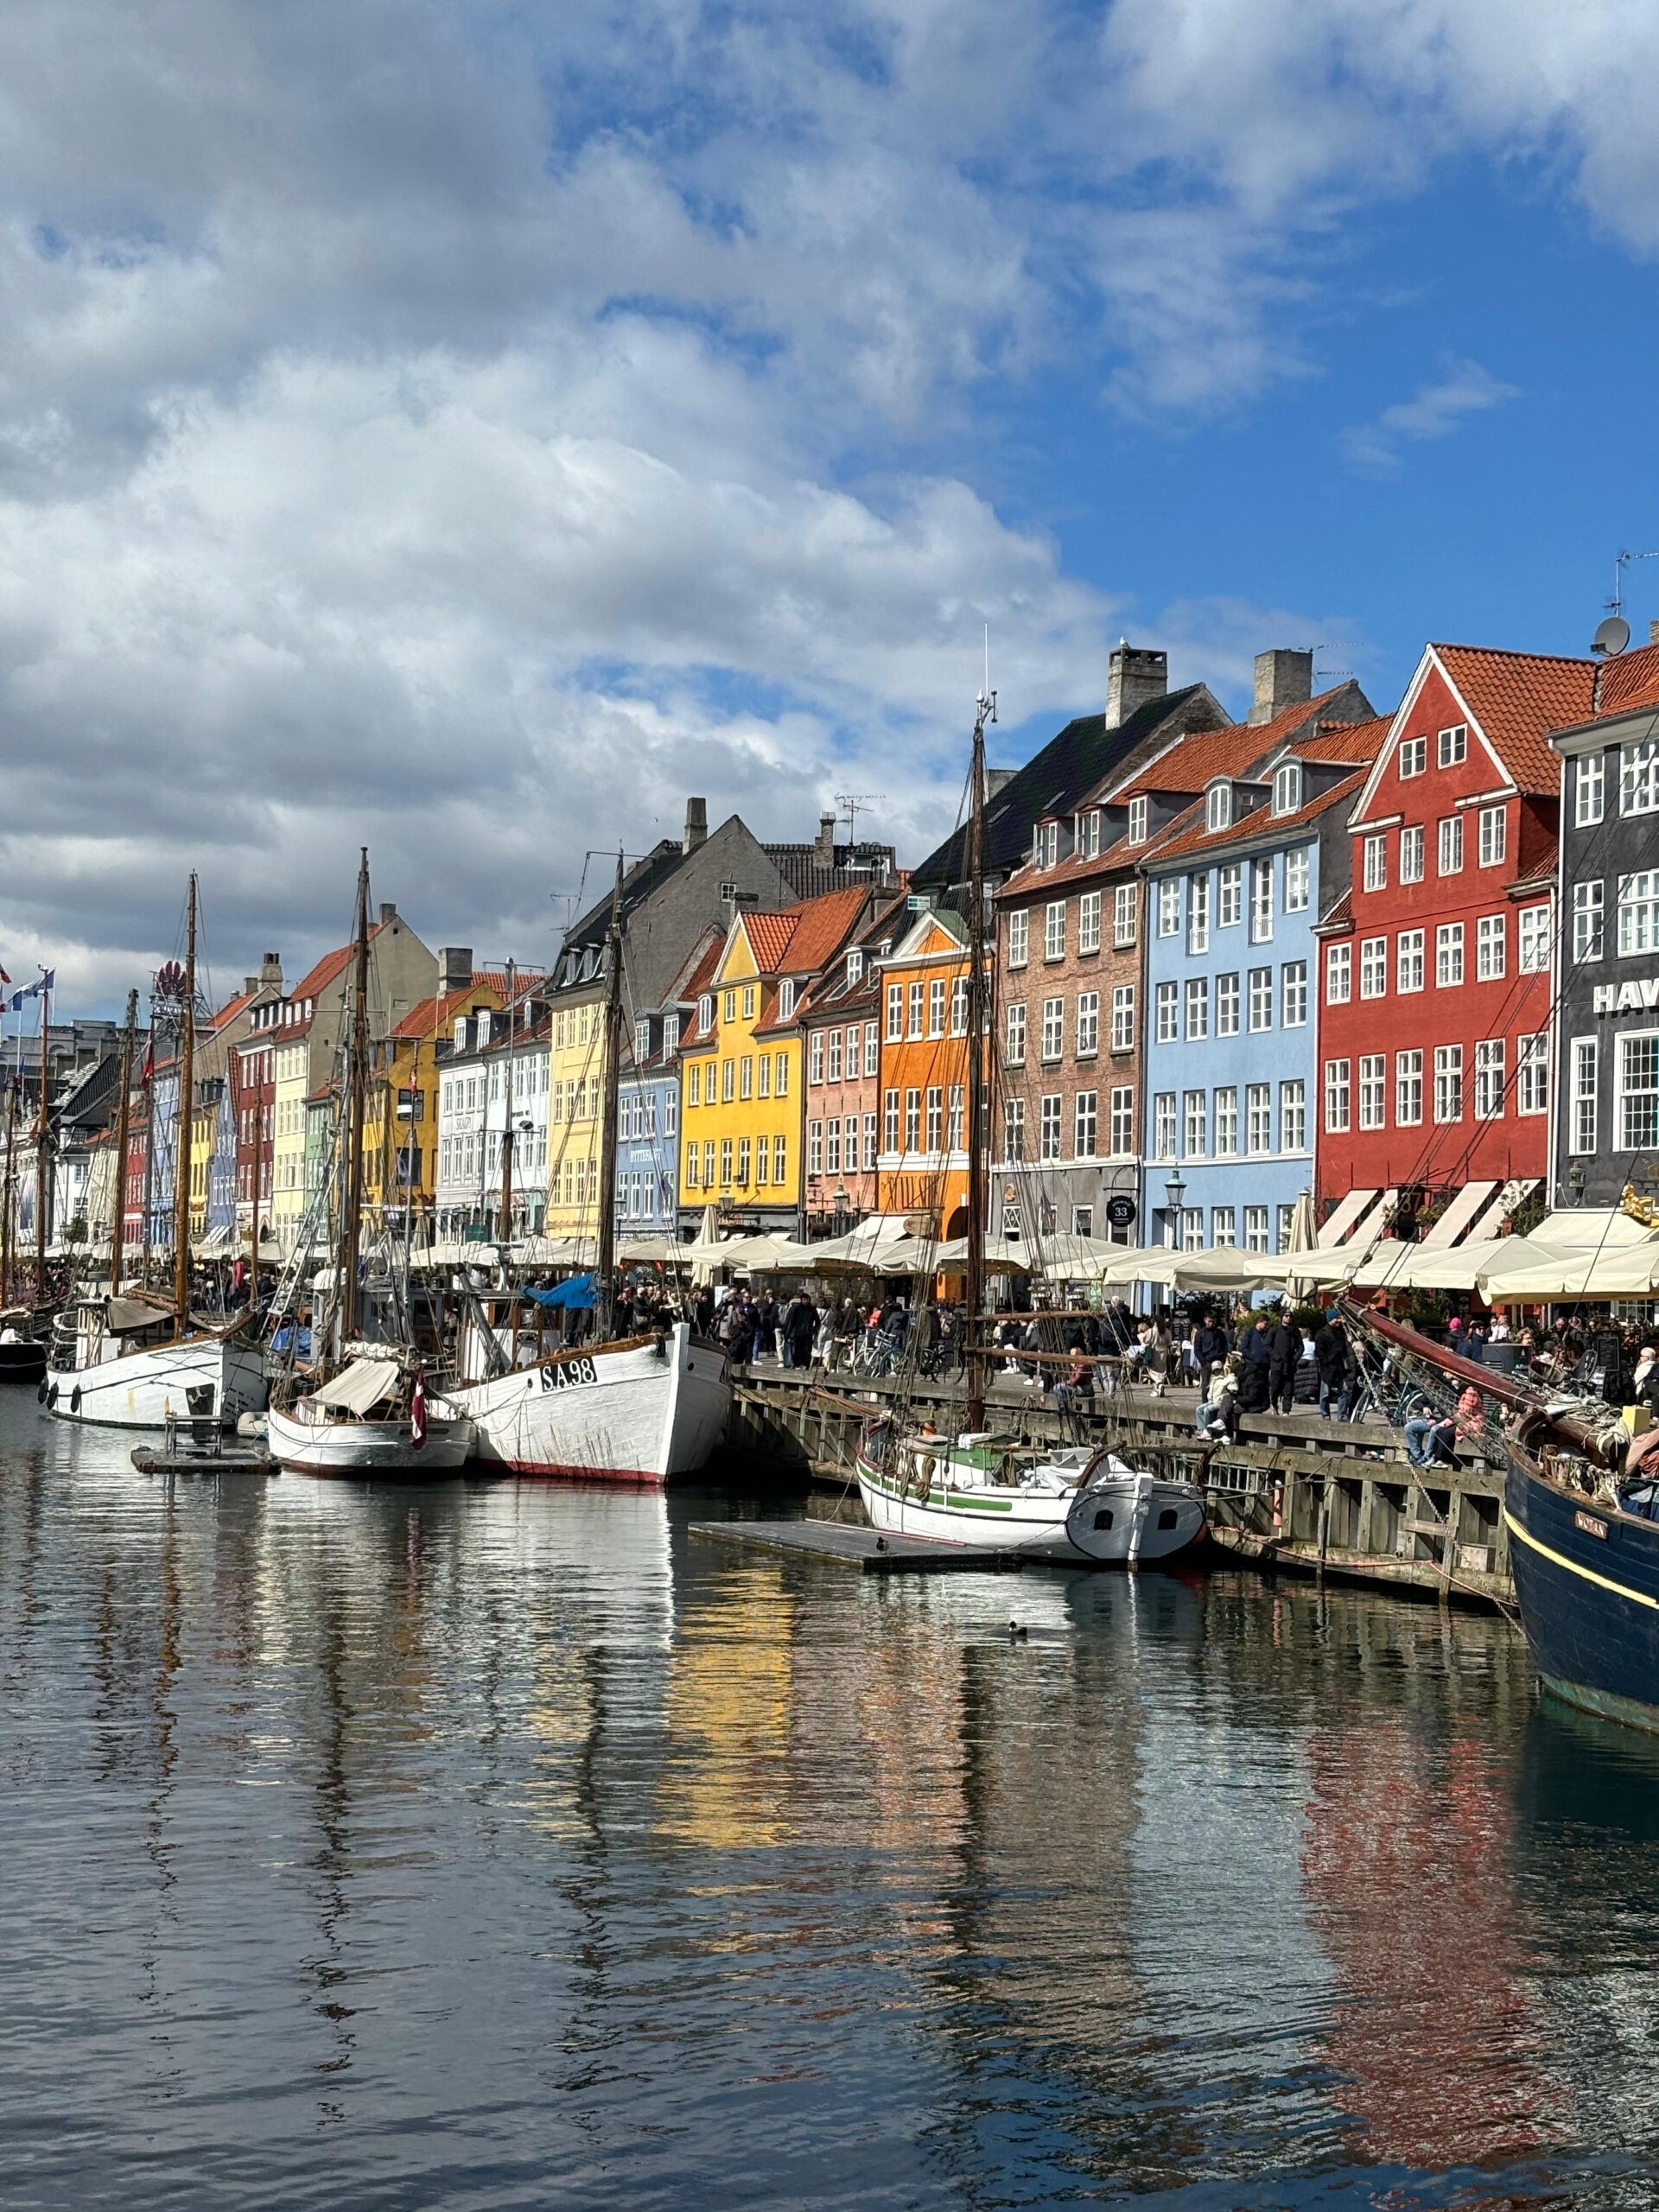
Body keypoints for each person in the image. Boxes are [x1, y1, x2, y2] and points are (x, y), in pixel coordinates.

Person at [1313, 1311, 1350, 1421]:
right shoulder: (1322, 1333)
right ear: (1330, 1319)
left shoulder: (1340, 1332)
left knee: (1343, 1390)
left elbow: (1344, 1347)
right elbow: (1319, 1351)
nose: (1339, 1320)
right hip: (1327, 1367)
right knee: (1325, 1392)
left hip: (1339, 1366)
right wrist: (1326, 1360)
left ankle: (1342, 1414)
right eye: (1337, 1318)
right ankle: (1325, 1414)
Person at [1192, 1310, 1230, 1405]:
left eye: (1213, 1321)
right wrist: (1203, 1362)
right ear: (1205, 1320)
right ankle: (1205, 1403)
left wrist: (1223, 1359)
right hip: (1206, 1361)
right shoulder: (1200, 1333)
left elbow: (1225, 1347)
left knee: (1219, 1383)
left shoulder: (1220, 1333)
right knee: (1206, 1384)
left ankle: (1217, 1402)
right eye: (1209, 1321)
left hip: (1218, 1360)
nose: (1211, 1323)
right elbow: (1197, 1349)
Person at [1265, 1309, 1299, 1414]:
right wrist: (1276, 1356)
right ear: (1282, 1317)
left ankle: (1286, 1410)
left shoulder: (1295, 1331)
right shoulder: (1274, 1330)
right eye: (1286, 1316)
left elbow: (1300, 1347)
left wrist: (1294, 1359)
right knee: (1275, 1388)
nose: (1288, 1318)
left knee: (1288, 1390)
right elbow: (1267, 1345)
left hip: (1289, 1365)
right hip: (1277, 1365)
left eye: (1290, 1316)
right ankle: (1274, 1405)